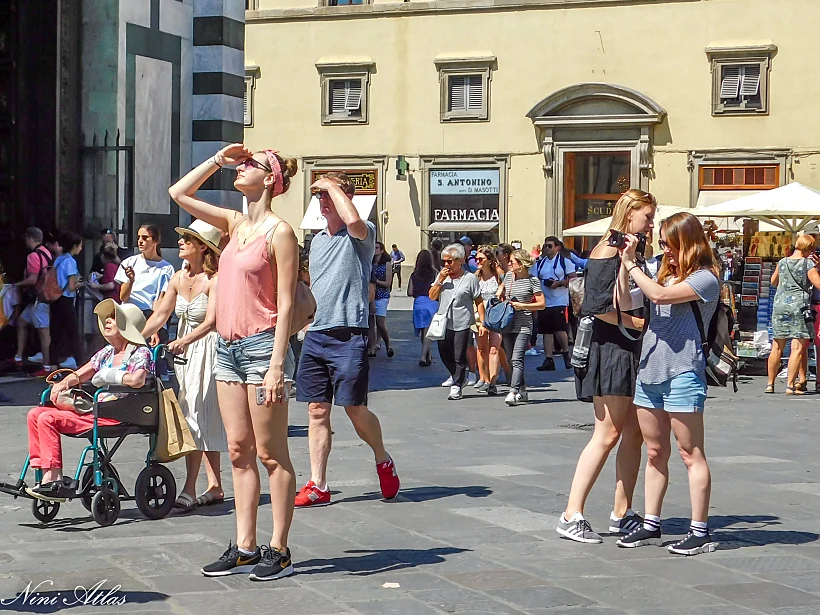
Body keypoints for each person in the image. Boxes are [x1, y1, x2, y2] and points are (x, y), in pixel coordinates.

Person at [169, 143, 299, 581]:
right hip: (226, 349)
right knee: (239, 450)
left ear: (270, 179)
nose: (241, 168)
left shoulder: (280, 233)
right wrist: (217, 161)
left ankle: (278, 549)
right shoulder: (234, 223)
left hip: (262, 348)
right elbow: (178, 193)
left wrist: (277, 364)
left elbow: (285, 302)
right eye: (241, 164)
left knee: (271, 453)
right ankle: (245, 546)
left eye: (251, 165)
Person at [614, 212, 720, 555]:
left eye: (670, 244)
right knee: (655, 452)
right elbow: (625, 302)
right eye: (662, 243)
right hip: (650, 372)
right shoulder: (661, 274)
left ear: (688, 243)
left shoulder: (705, 278)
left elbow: (659, 297)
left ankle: (700, 531)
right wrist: (624, 265)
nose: (665, 250)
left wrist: (633, 266)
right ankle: (651, 523)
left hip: (683, 372)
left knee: (690, 453)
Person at [295, 171, 400, 509]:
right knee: (316, 410)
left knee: (354, 408)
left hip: (349, 333)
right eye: (319, 196)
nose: (322, 201)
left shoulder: (362, 233)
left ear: (346, 198)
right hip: (316, 333)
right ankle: (318, 484)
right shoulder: (317, 241)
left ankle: (382, 457)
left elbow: (352, 220)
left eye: (328, 195)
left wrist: (330, 185)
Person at [557, 189, 657, 544]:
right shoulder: (605, 251)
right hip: (609, 348)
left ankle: (621, 512)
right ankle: (571, 514)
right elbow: (596, 307)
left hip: (627, 347)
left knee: (634, 433)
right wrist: (638, 324)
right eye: (647, 217)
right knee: (607, 433)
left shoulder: (631, 250)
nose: (652, 223)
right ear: (630, 214)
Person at [25, 299, 153, 501]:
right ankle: (44, 473)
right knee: (35, 414)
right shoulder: (107, 352)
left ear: (127, 325)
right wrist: (62, 384)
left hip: (118, 413)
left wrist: (112, 375)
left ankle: (54, 478)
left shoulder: (140, 352)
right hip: (97, 410)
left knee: (47, 418)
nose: (107, 321)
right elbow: (79, 374)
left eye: (114, 318)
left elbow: (137, 380)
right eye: (108, 318)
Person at [142, 220, 228, 509]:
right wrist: (133, 340)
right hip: (184, 354)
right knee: (203, 416)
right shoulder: (178, 278)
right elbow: (160, 315)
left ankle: (190, 489)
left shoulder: (214, 280)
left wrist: (185, 340)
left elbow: (212, 321)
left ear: (203, 247)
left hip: (208, 350)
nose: (180, 242)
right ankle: (215, 486)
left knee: (195, 416)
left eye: (187, 239)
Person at [115, 224, 175, 380]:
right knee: (127, 360)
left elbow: (160, 299)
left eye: (145, 238)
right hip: (129, 315)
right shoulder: (130, 262)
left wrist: (155, 329)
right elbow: (123, 297)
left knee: (152, 365)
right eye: (138, 237)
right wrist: (131, 280)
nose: (140, 241)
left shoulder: (166, 268)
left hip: (150, 315)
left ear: (155, 241)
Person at [428, 243, 486, 401]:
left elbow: (479, 301)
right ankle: (458, 376)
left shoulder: (470, 278)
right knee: (444, 353)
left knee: (458, 355)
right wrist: (440, 280)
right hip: (444, 321)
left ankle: (457, 385)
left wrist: (482, 322)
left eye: (450, 261)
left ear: (460, 261)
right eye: (444, 261)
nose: (446, 265)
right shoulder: (442, 276)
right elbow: (432, 296)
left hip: (463, 321)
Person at [766, 234, 820, 395]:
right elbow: (818, 283)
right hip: (799, 307)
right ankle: (790, 385)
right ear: (809, 249)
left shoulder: (782, 262)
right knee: (796, 347)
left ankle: (770, 384)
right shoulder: (807, 264)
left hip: (779, 305)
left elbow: (773, 281)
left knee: (777, 346)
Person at [497, 249, 545, 405]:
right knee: (510, 360)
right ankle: (523, 390)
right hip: (507, 323)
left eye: (512, 261)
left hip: (524, 324)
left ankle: (513, 391)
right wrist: (500, 290)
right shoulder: (508, 276)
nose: (509, 264)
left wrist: (523, 305)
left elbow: (542, 304)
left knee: (517, 359)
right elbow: (502, 287)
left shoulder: (533, 281)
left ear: (522, 263)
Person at [12, 228, 54, 377]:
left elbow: (32, 279)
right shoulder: (47, 253)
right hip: (44, 297)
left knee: (44, 333)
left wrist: (15, 285)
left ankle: (47, 367)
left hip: (38, 300)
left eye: (26, 239)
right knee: (22, 322)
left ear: (30, 239)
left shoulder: (33, 256)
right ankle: (18, 357)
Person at [532, 236, 576, 371]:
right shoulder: (539, 263)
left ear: (558, 247)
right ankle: (548, 359)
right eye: (545, 246)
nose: (547, 248)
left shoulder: (565, 262)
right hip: (545, 300)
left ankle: (566, 354)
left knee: (559, 329)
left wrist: (560, 283)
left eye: (550, 246)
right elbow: (534, 279)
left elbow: (574, 279)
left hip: (560, 300)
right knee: (546, 331)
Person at [50, 232, 84, 370]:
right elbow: (71, 286)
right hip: (66, 299)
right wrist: (80, 282)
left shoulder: (59, 259)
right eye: (80, 246)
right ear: (74, 246)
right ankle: (80, 363)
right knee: (73, 332)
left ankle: (52, 365)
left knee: (56, 334)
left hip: (55, 298)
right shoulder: (70, 261)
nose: (81, 248)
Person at [474, 246, 503, 395]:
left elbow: (506, 287)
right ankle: (484, 378)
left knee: (494, 348)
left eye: (481, 259)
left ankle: (492, 382)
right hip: (479, 316)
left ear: (490, 260)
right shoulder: (475, 277)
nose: (477, 261)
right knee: (481, 349)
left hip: (495, 315)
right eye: (476, 259)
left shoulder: (498, 276)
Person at [408, 250, 438, 367]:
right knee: (428, 331)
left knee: (423, 331)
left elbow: (410, 292)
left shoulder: (414, 275)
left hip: (419, 303)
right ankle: (423, 356)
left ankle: (427, 356)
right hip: (431, 303)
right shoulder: (434, 273)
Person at [368, 241, 394, 358]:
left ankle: (388, 344)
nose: (375, 250)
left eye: (377, 248)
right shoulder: (370, 263)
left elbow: (388, 283)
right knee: (370, 323)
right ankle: (372, 348)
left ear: (382, 250)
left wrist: (375, 281)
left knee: (380, 323)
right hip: (370, 296)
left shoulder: (386, 264)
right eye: (373, 247)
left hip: (382, 296)